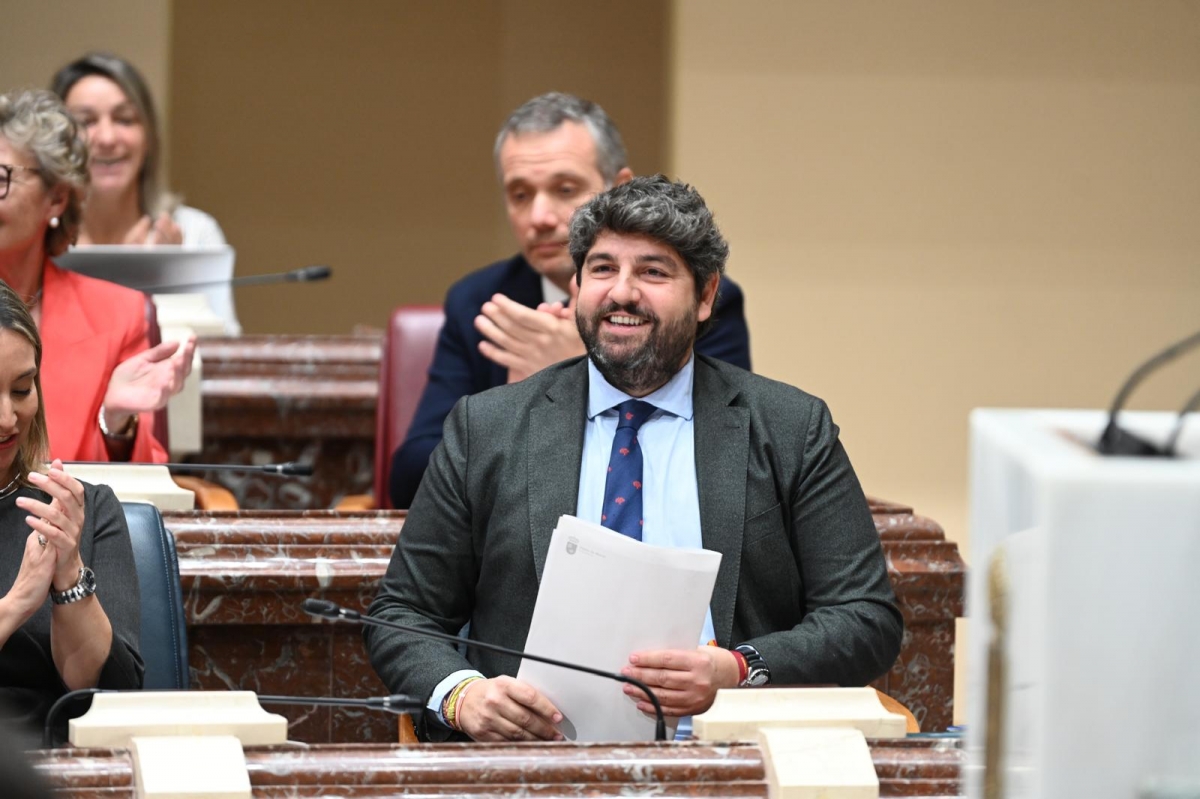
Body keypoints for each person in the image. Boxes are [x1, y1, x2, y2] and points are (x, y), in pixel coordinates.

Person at [367, 176, 902, 743]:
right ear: (575, 287)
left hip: (728, 762)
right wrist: (463, 694)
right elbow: (403, 615)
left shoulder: (790, 426)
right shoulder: (487, 427)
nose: (621, 293)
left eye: (652, 271)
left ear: (704, 295)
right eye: (601, 269)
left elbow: (865, 618)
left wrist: (737, 669)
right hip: (537, 765)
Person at [388, 93, 753, 508]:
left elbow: (728, 466)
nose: (539, 217)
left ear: (618, 189)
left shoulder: (686, 301)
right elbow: (410, 477)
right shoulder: (482, 302)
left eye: (565, 189)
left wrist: (584, 374)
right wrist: (522, 404)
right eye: (520, 194)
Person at [0, 89, 193, 463]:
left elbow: (141, 493)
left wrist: (116, 422)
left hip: (72, 519)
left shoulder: (119, 314)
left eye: (0, 177)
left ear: (56, 198)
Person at [0, 280, 143, 739]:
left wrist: (70, 577)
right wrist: (19, 601)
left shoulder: (82, 509)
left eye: (21, 390)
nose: (7, 419)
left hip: (59, 762)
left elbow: (111, 693)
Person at [51, 53, 225, 248]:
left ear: (149, 136)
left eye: (125, 119)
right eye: (85, 122)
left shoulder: (195, 233)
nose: (107, 138)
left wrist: (172, 271)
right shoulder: (36, 240)